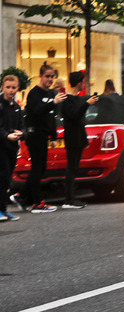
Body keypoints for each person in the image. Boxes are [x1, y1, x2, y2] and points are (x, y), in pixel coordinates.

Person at [10, 64, 66, 213]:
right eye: (47, 76)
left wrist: (53, 136)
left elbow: (51, 117)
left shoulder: (51, 94)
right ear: (40, 76)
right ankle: (37, 202)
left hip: (43, 134)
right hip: (34, 134)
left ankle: (21, 196)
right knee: (37, 167)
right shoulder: (34, 93)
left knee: (41, 168)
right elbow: (38, 110)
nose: (50, 79)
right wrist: (53, 102)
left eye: (52, 76)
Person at [61, 71, 98, 209]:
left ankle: (71, 198)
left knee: (74, 168)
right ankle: (68, 199)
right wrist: (87, 104)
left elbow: (80, 119)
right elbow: (74, 116)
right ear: (78, 83)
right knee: (71, 168)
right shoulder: (68, 99)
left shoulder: (76, 99)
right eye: (82, 82)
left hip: (77, 136)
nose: (83, 84)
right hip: (72, 137)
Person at [0, 75, 25, 221]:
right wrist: (6, 136)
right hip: (1, 146)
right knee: (2, 178)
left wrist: (21, 133)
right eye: (8, 87)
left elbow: (22, 126)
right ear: (2, 88)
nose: (11, 90)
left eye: (13, 87)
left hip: (12, 147)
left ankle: (4, 210)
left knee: (7, 179)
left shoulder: (17, 107)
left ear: (17, 88)